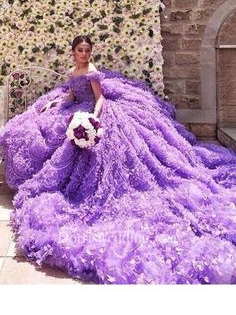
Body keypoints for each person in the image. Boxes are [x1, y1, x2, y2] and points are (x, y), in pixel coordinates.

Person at [1, 35, 236, 284]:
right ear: (73, 52)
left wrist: (93, 118)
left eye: (87, 50)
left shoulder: (92, 72)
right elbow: (71, 95)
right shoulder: (73, 70)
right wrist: (57, 102)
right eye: (80, 50)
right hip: (76, 108)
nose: (84, 54)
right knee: (46, 129)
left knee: (95, 150)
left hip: (94, 111)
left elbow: (99, 98)